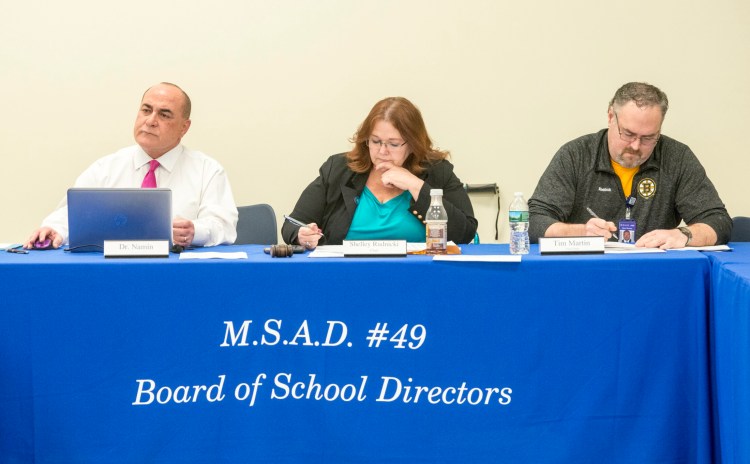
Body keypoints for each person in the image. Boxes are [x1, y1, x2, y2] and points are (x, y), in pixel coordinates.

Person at [24, 82, 238, 249]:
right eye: (146, 110)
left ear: (184, 127)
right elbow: (71, 214)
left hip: (179, 276)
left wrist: (195, 231)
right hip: (111, 274)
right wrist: (53, 229)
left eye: (164, 115)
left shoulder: (207, 170)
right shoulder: (106, 168)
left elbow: (224, 227)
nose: (151, 120)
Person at [528, 82, 731, 249]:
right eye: (628, 134)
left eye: (649, 138)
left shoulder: (677, 158)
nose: (635, 146)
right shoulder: (575, 155)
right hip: (586, 272)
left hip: (655, 274)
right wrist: (580, 232)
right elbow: (534, 221)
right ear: (610, 117)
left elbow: (718, 221)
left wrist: (684, 235)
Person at [281, 97, 477, 249]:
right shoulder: (339, 169)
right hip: (345, 276)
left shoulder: (436, 171)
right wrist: (301, 234)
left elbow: (465, 233)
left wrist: (415, 186)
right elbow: (292, 224)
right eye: (375, 141)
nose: (382, 151)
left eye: (393, 144)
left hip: (417, 278)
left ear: (413, 144)